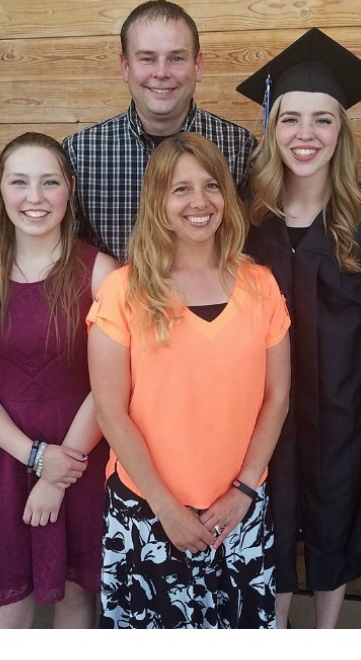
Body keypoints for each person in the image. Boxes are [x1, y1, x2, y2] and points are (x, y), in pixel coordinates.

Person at [86, 132, 292, 628]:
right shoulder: (124, 290)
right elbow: (110, 409)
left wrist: (242, 492)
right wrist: (165, 507)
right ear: (157, 200)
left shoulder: (260, 285)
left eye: (210, 186)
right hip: (147, 512)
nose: (199, 202)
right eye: (180, 189)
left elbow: (277, 396)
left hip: (236, 512)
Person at [239, 29, 361, 628]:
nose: (306, 135)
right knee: (271, 513)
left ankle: (324, 633)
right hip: (260, 402)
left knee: (335, 515)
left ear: (341, 131)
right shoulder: (246, 209)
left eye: (323, 120)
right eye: (291, 119)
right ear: (272, 129)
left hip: (343, 403)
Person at [0, 134, 116, 627]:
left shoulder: (100, 272)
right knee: (2, 609)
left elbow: (109, 384)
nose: (35, 197)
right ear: (1, 191)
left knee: (74, 597)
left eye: (49, 182)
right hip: (4, 457)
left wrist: (62, 467)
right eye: (19, 182)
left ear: (69, 189)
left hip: (81, 452)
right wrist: (37, 459)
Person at [65, 0, 255, 260]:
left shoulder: (240, 148)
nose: (162, 72)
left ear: (198, 65)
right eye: (147, 59)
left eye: (176, 58)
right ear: (125, 66)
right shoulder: (80, 155)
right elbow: (69, 259)